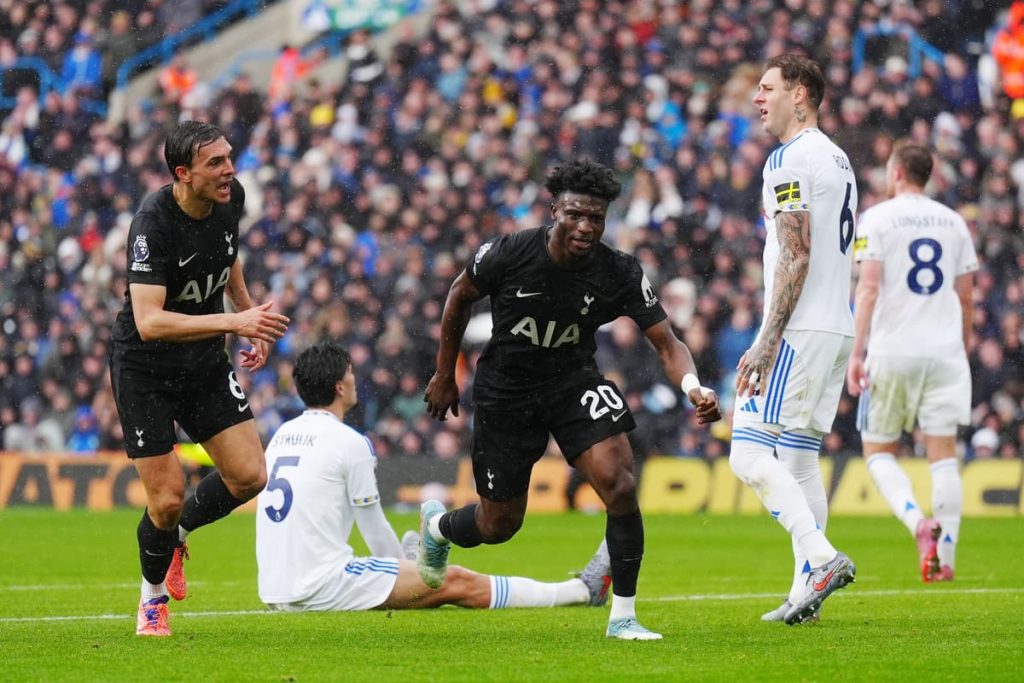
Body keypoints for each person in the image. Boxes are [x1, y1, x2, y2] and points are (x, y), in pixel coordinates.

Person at [422, 158, 722, 640]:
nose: (586, 226)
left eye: (596, 218)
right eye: (575, 214)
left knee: (620, 484)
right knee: (499, 525)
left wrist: (693, 387)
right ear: (554, 210)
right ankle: (438, 529)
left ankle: (623, 616)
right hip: (507, 389)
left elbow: (668, 343)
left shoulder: (618, 271)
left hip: (572, 380)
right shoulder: (510, 252)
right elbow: (459, 295)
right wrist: (443, 374)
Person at [255, 341, 612, 613]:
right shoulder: (349, 442)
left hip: (275, 588)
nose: (354, 379)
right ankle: (581, 592)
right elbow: (374, 528)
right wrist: (408, 571)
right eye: (350, 373)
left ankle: (419, 556)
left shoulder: (281, 436)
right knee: (451, 580)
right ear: (338, 386)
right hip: (319, 586)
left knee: (436, 577)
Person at [109, 121, 290, 636]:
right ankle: (151, 599)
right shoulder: (152, 223)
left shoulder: (230, 200)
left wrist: (249, 317)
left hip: (204, 361)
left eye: (229, 158)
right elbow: (150, 320)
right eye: (216, 163)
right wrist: (236, 322)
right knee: (164, 498)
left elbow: (228, 264)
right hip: (145, 366)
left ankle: (178, 537)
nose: (229, 169)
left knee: (251, 475)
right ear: (183, 174)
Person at [730, 54, 858, 626]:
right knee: (801, 460)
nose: (758, 99)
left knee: (748, 454)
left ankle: (822, 557)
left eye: (767, 88)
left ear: (799, 94)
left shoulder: (789, 159)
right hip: (837, 325)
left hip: (799, 328)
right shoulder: (838, 157)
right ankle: (804, 591)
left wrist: (767, 338)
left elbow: (797, 251)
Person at [846, 141, 977, 583]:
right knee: (943, 457)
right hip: (945, 354)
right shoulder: (955, 222)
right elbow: (965, 296)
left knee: (878, 450)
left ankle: (916, 522)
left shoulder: (878, 218)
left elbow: (868, 289)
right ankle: (948, 559)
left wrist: (857, 351)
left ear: (897, 172)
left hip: (893, 350)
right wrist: (960, 346)